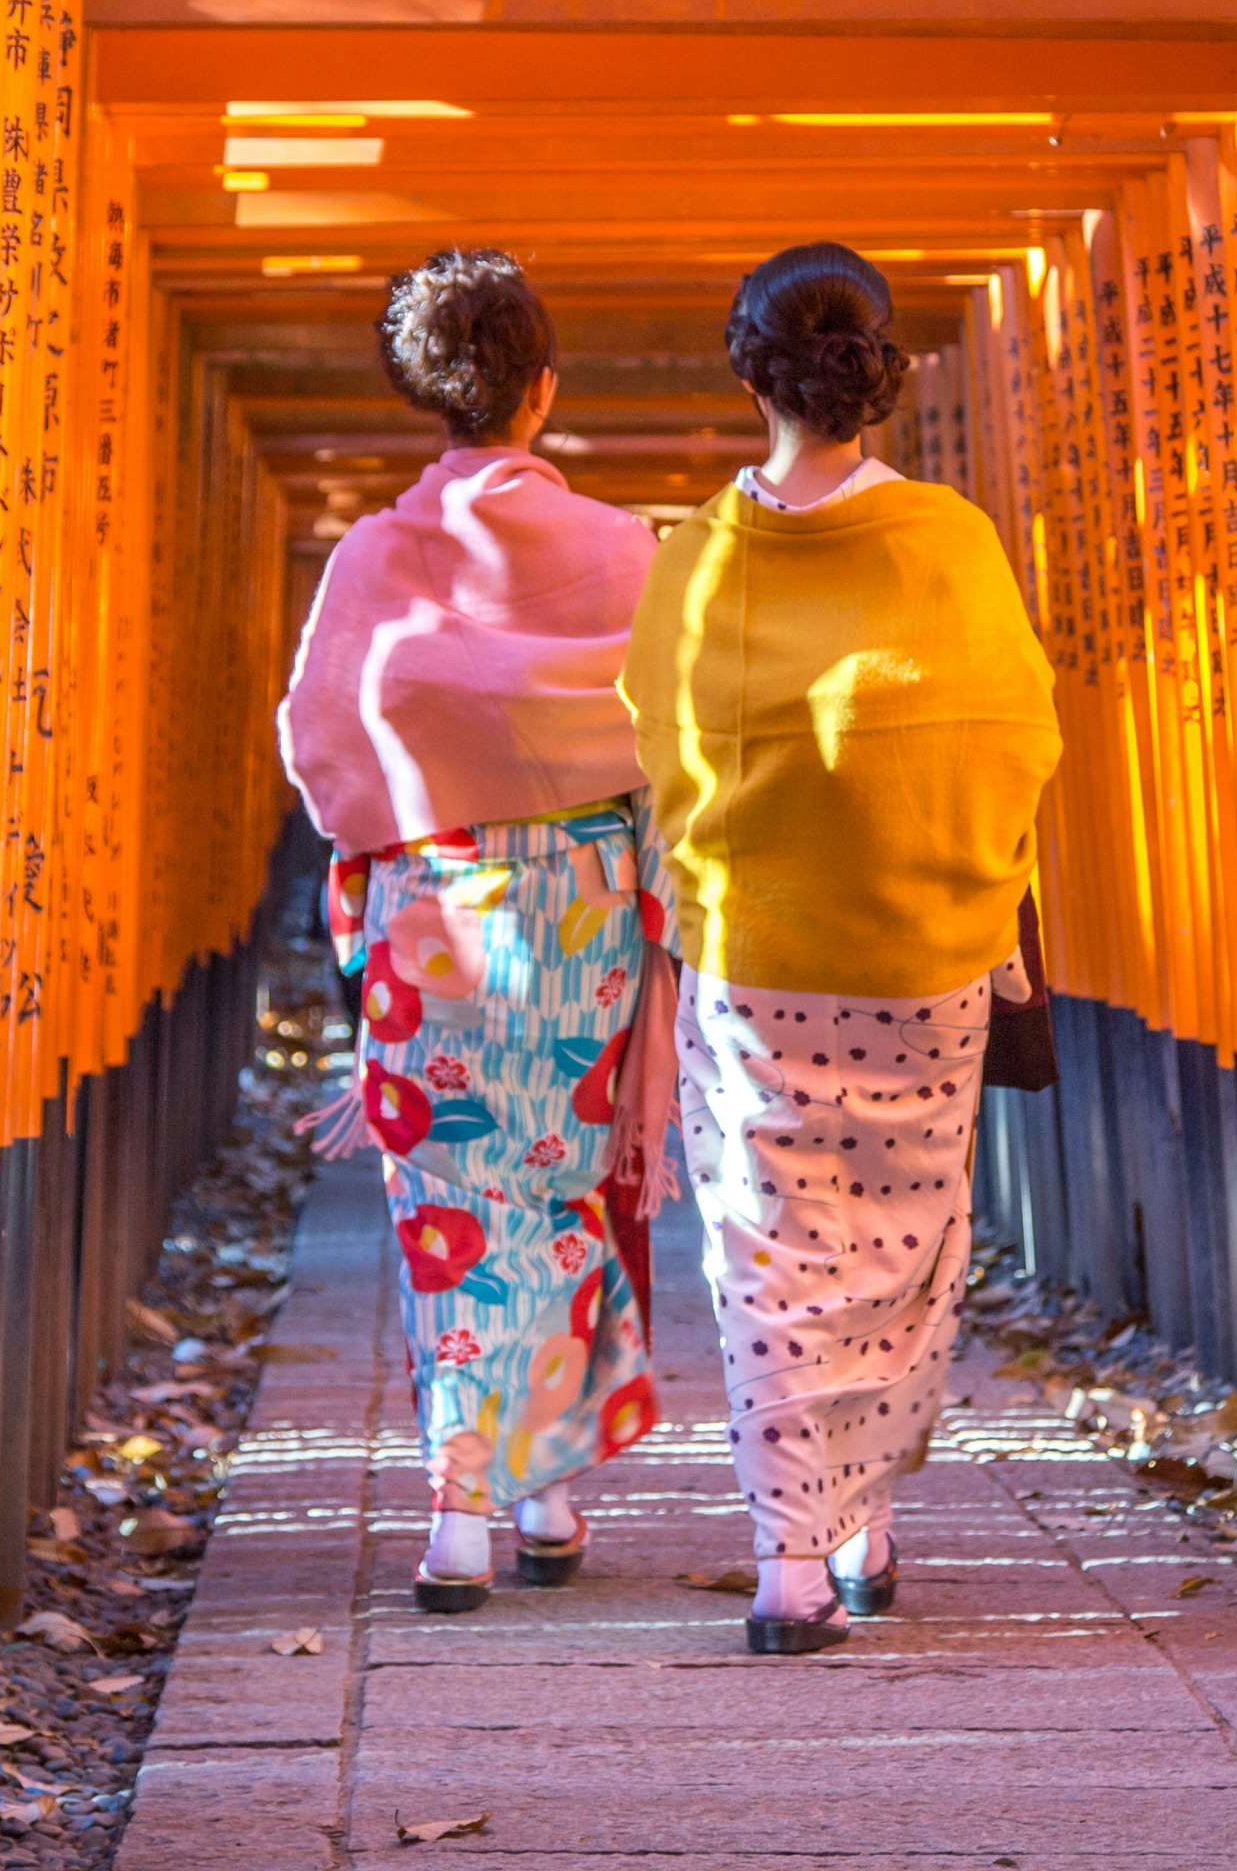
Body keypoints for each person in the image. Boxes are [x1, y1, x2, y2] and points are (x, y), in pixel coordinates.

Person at [620, 242, 1063, 1653]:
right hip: (925, 956)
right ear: (881, 373)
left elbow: (659, 749)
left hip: (755, 960)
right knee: (902, 1252)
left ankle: (789, 1561)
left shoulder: (696, 556)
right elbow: (1014, 737)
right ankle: (861, 1524)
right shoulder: (950, 542)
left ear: (748, 370)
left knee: (770, 1257)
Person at [277, 249, 674, 1612]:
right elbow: (676, 740)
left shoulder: (376, 558)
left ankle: (461, 1512)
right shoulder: (628, 551)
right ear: (543, 391)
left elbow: (323, 746)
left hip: (429, 908)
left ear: (421, 393)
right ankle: (544, 1491)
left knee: (448, 1203)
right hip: (580, 911)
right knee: (557, 1186)